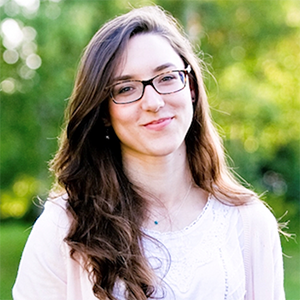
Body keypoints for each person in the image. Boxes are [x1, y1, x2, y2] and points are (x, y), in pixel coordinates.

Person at [13, 5, 285, 300]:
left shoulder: (249, 223)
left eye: (167, 77)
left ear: (190, 87)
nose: (153, 101)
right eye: (126, 88)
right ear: (104, 111)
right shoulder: (64, 227)